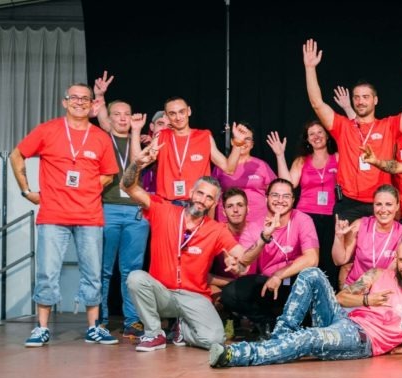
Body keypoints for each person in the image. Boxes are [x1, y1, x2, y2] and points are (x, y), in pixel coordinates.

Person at [209, 231, 402, 367]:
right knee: (312, 273)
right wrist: (367, 300)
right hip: (343, 317)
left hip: (361, 339)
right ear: (396, 257)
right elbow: (340, 298)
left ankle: (236, 355)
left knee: (309, 337)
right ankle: (280, 338)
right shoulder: (378, 274)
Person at [120, 145, 260, 352]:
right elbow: (127, 187)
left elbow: (244, 260)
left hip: (194, 296)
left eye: (209, 198)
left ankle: (183, 329)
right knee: (135, 278)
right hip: (163, 293)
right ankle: (154, 333)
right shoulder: (163, 211)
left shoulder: (216, 230)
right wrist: (138, 163)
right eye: (200, 193)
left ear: (213, 204)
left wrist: (260, 242)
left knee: (215, 339)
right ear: (191, 192)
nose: (202, 200)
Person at [11, 83, 119, 347]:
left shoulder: (100, 137)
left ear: (93, 104)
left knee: (92, 273)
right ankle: (41, 328)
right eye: (74, 98)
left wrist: (91, 186)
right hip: (53, 214)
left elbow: (109, 173)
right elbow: (17, 154)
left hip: (90, 215)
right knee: (48, 272)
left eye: (85, 98)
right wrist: (26, 190)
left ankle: (94, 327)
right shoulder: (48, 130)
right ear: (65, 102)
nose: (79, 102)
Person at [303, 39, 402, 223]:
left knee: (381, 250)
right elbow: (317, 104)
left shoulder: (389, 126)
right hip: (348, 204)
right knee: (343, 252)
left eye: (366, 97)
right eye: (357, 97)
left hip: (379, 202)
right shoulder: (342, 126)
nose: (360, 101)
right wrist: (310, 69)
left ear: (375, 100)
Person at [220, 179, 319, 336]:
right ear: (266, 198)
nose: (280, 200)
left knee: (311, 277)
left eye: (286, 196)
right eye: (275, 195)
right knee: (231, 293)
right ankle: (268, 322)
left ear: (293, 200)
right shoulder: (254, 227)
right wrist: (263, 238)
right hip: (268, 286)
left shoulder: (303, 219)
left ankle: (299, 324)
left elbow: (312, 258)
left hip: (295, 282)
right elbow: (244, 263)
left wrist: (279, 275)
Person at [98, 99, 150, 339]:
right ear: (108, 118)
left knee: (132, 271)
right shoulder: (101, 140)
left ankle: (132, 320)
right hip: (107, 208)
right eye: (116, 114)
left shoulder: (139, 142)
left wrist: (137, 134)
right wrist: (99, 95)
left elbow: (138, 166)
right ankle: (99, 319)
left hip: (136, 210)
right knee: (103, 269)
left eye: (126, 114)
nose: (121, 118)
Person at [134, 96, 248, 203]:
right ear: (166, 116)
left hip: (196, 204)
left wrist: (238, 144)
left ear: (189, 111)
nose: (178, 118)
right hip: (167, 205)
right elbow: (137, 164)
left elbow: (229, 168)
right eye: (172, 114)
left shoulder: (204, 137)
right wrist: (135, 130)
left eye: (181, 112)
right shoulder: (161, 136)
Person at [266, 122, 339, 288]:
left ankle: (327, 300)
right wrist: (279, 155)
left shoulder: (338, 157)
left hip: (331, 216)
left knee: (328, 260)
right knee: (306, 258)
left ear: (327, 135)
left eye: (320, 132)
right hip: (306, 216)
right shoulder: (301, 161)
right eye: (311, 134)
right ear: (307, 139)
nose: (316, 136)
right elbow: (287, 184)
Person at [333, 184, 402, 287]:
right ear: (373, 206)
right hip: (355, 287)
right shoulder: (360, 225)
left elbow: (392, 272)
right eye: (378, 204)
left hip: (383, 289)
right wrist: (339, 237)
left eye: (388, 204)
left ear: (397, 206)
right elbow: (339, 260)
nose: (383, 209)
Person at [211, 121, 276, 223]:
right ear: (233, 141)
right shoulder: (221, 166)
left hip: (257, 222)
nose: (243, 142)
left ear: (252, 145)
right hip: (227, 223)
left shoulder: (261, 165)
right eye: (240, 138)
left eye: (248, 139)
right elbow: (212, 195)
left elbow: (275, 193)